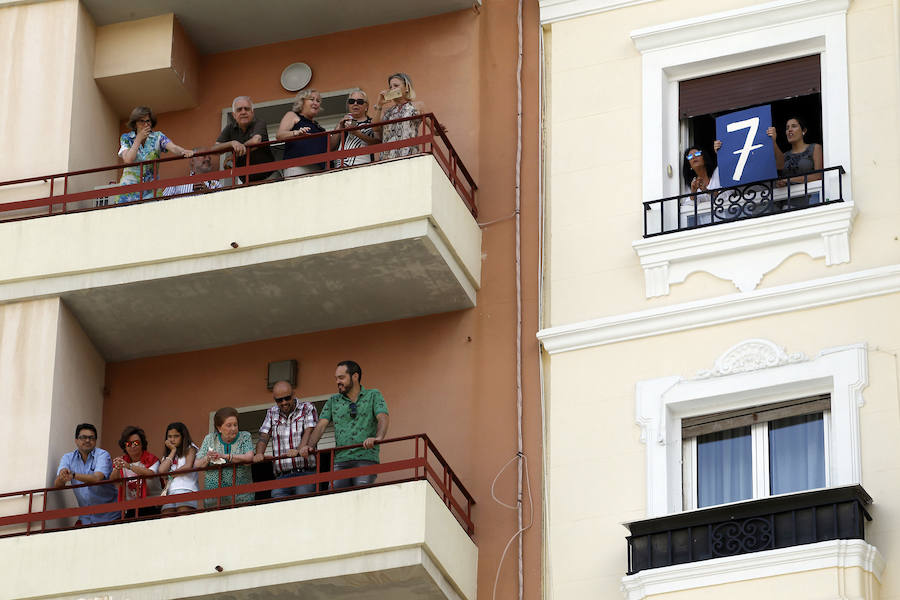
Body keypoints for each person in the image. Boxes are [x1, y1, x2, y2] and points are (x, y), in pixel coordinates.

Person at [300, 361, 389, 489]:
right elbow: (321, 426)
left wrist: (378, 438)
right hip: (340, 460)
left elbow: (383, 417)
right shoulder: (333, 400)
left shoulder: (373, 395)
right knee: (335, 496)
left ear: (355, 376)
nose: (337, 382)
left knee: (361, 494)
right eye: (336, 378)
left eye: (341, 378)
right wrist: (309, 446)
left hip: (366, 458)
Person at [252, 380, 319, 498]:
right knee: (278, 509)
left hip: (305, 472)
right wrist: (259, 453)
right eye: (279, 400)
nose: (283, 402)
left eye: (287, 398)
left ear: (293, 394)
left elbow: (310, 431)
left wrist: (299, 449)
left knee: (303, 508)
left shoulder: (307, 407)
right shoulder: (271, 413)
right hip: (281, 477)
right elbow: (264, 436)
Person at [117, 106, 194, 203]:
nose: (146, 124)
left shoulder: (158, 136)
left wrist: (183, 151)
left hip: (151, 190)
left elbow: (173, 147)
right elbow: (128, 159)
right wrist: (138, 139)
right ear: (135, 123)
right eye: (142, 121)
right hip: (129, 190)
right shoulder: (126, 137)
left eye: (148, 121)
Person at [53, 423, 119, 524]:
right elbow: (58, 485)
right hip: (85, 518)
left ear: (96, 441)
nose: (87, 440)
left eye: (91, 438)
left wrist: (73, 475)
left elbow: (97, 478)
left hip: (110, 516)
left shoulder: (102, 455)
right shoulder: (68, 458)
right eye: (83, 437)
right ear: (76, 440)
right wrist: (62, 476)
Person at [195, 407, 254, 507]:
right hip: (215, 498)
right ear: (219, 428)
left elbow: (249, 457)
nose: (233, 428)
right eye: (229, 425)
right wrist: (208, 457)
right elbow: (197, 464)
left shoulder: (245, 436)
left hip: (242, 496)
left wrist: (224, 456)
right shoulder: (210, 439)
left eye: (235, 425)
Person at [211, 96, 277, 183]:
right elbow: (215, 149)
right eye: (239, 110)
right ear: (234, 115)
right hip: (247, 182)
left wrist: (235, 155)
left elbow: (255, 141)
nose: (243, 112)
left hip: (270, 177)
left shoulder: (259, 122)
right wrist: (231, 143)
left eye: (247, 109)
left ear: (252, 112)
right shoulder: (230, 128)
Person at [110, 426, 161, 518]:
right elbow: (113, 479)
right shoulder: (122, 461)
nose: (133, 446)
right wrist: (117, 468)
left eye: (136, 443)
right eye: (129, 444)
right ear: (125, 446)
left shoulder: (152, 459)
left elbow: (150, 474)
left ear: (142, 444)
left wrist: (129, 466)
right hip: (131, 508)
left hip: (153, 505)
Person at [372, 72, 423, 161]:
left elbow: (433, 128)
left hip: (409, 156)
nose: (392, 89)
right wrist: (379, 105)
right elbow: (375, 128)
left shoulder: (417, 105)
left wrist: (438, 130)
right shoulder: (387, 111)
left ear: (406, 88)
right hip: (387, 159)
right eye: (390, 87)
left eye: (396, 86)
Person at [277, 89, 327, 177]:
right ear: (302, 101)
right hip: (297, 166)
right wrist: (296, 133)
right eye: (312, 99)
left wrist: (340, 126)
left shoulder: (318, 127)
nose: (315, 103)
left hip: (318, 169)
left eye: (318, 101)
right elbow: (280, 135)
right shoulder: (293, 115)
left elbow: (330, 146)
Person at [158, 422, 199, 514]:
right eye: (170, 436)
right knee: (166, 517)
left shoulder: (190, 448)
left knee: (183, 517)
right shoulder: (168, 455)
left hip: (187, 489)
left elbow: (188, 466)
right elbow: (161, 471)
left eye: (176, 436)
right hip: (170, 491)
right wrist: (173, 451)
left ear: (183, 436)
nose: (172, 439)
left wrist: (170, 475)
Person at [768, 117, 824, 185]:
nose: (790, 130)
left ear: (804, 131)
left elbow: (818, 176)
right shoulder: (785, 155)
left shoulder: (815, 148)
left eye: (794, 126)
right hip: (788, 195)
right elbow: (779, 167)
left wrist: (788, 180)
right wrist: (773, 141)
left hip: (812, 194)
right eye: (787, 128)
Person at [330, 91, 379, 167]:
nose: (355, 104)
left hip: (363, 166)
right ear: (348, 105)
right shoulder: (343, 122)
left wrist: (358, 134)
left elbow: (378, 142)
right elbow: (331, 146)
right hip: (340, 168)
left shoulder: (371, 122)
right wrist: (340, 127)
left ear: (366, 107)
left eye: (360, 102)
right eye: (351, 101)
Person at [681, 146, 720, 227]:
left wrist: (706, 190)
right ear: (689, 164)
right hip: (705, 226)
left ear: (704, 158)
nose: (694, 157)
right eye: (690, 156)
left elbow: (726, 194)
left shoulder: (717, 173)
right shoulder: (690, 185)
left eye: (697, 153)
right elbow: (689, 207)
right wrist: (693, 192)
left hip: (725, 220)